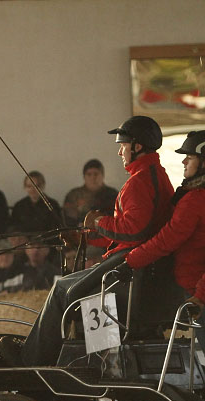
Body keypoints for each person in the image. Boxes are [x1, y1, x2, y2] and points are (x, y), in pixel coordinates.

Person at [20, 116, 173, 366]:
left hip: (128, 265)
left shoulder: (139, 181)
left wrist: (97, 223)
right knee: (86, 292)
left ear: (137, 146)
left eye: (122, 145)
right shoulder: (155, 175)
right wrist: (85, 236)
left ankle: (31, 363)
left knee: (61, 290)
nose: (119, 150)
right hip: (135, 264)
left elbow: (133, 231)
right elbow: (132, 230)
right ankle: (97, 363)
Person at [125, 131, 205, 333]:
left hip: (193, 290)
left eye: (191, 156)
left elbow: (167, 239)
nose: (184, 161)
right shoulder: (191, 195)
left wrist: (131, 261)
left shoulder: (195, 200)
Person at [62, 159, 119, 226]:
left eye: (96, 174)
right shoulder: (74, 195)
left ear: (102, 175)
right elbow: (68, 220)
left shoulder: (112, 194)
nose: (93, 177)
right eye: (89, 174)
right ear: (84, 177)